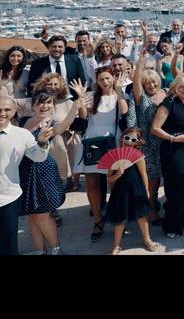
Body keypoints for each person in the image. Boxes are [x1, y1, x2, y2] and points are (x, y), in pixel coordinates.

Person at [75, 66, 131, 242]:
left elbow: (124, 112)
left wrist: (120, 91)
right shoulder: (91, 96)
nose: (105, 82)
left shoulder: (119, 95)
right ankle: (98, 220)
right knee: (92, 183)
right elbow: (83, 116)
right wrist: (81, 98)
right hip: (91, 140)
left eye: (108, 78)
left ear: (113, 79)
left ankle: (117, 218)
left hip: (110, 141)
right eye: (101, 79)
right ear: (97, 82)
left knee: (114, 182)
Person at [16, 92, 76, 254]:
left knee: (42, 214)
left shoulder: (50, 123)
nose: (44, 106)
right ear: (33, 105)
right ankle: (39, 250)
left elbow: (64, 126)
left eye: (49, 103)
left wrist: (76, 105)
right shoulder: (23, 121)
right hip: (25, 171)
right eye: (40, 103)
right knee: (32, 215)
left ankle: (56, 249)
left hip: (44, 171)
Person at [152, 74, 184, 239]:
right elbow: (154, 128)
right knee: (179, 189)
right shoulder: (168, 104)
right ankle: (171, 226)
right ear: (174, 87)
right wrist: (174, 138)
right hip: (173, 150)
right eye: (181, 86)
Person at [0, 96, 55, 255]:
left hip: (8, 197)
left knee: (8, 244)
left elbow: (38, 157)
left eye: (7, 109)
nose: (2, 113)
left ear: (14, 111)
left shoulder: (22, 134)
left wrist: (43, 142)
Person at [105, 127, 159, 254]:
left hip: (136, 189)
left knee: (141, 217)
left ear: (137, 143)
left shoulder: (138, 156)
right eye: (127, 138)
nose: (129, 141)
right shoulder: (114, 155)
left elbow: (144, 174)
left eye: (133, 139)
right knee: (120, 220)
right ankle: (116, 245)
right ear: (122, 138)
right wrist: (117, 174)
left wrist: (146, 190)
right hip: (120, 192)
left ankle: (147, 239)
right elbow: (109, 178)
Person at [132, 51, 166, 223]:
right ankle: (151, 210)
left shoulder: (165, 93)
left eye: (153, 82)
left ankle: (154, 203)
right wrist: (140, 64)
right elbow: (136, 83)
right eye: (148, 83)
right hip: (148, 144)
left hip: (164, 142)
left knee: (158, 177)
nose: (151, 85)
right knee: (151, 179)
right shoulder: (142, 98)